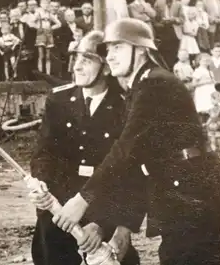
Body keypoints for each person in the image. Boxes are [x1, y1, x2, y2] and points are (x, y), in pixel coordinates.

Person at [52, 18, 220, 265]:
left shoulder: (155, 84)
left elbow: (126, 149)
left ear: (141, 49)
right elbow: (133, 157)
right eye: (108, 50)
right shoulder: (142, 85)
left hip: (190, 189)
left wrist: (82, 199)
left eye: (118, 47)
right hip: (184, 187)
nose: (110, 56)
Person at [28, 30, 141, 265]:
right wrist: (40, 183)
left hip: (105, 208)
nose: (76, 67)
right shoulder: (59, 100)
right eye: (76, 59)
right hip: (58, 208)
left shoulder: (125, 107)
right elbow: (44, 153)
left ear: (107, 67)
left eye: (86, 60)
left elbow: (132, 173)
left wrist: (106, 224)